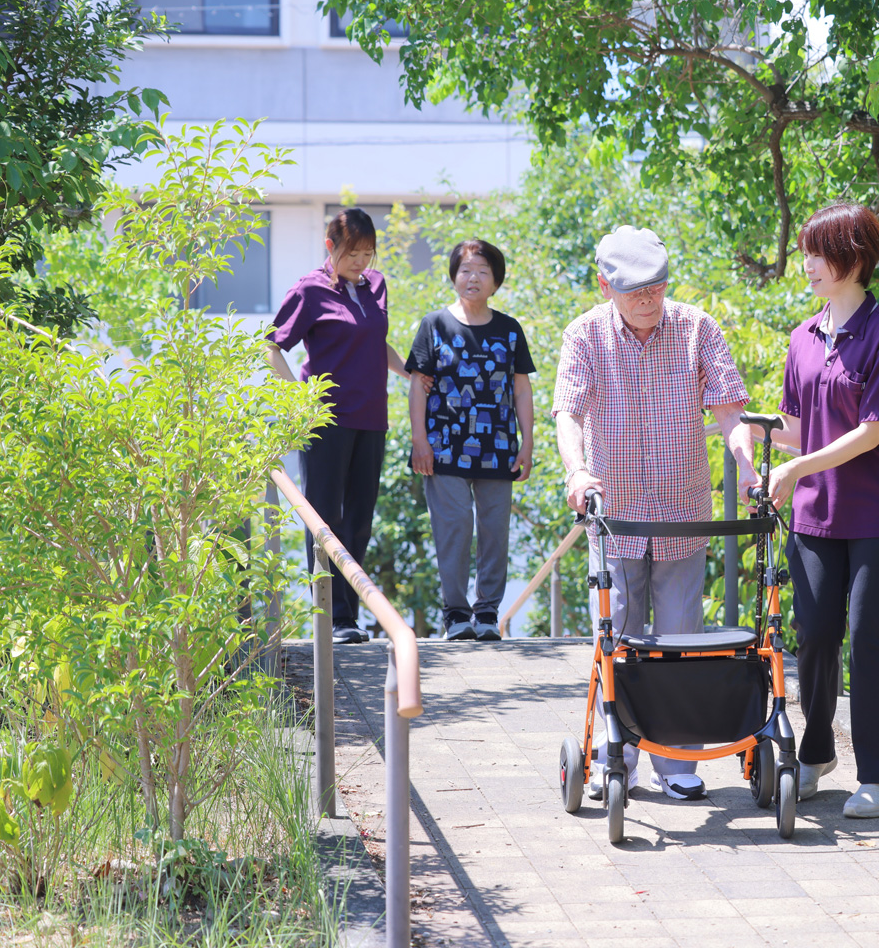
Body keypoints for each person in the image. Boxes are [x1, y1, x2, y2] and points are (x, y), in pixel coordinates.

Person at [554, 224, 758, 801]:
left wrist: (746, 467)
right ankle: (615, 757)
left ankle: (677, 761)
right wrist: (576, 471)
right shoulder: (585, 334)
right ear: (605, 285)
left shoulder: (698, 328)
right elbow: (567, 414)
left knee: (680, 639)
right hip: (613, 512)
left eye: (658, 288)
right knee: (616, 635)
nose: (649, 299)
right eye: (636, 291)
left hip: (680, 510)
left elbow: (730, 414)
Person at [759, 202, 879, 819]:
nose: (809, 265)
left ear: (855, 259)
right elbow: (797, 430)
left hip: (878, 514)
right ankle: (818, 752)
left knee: (868, 636)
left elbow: (874, 431)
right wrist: (747, 434)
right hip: (816, 514)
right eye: (806, 252)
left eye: (821, 254)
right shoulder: (803, 338)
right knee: (817, 634)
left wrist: (796, 467)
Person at [268, 207, 413, 645]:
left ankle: (350, 616)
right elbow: (274, 347)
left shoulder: (376, 286)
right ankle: (334, 620)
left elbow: (375, 340)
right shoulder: (310, 290)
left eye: (368, 253)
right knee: (326, 519)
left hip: (371, 418)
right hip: (326, 421)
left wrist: (410, 372)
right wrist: (301, 401)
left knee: (361, 521)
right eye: (352, 253)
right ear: (330, 247)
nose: (361, 262)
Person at [406, 240, 536, 642]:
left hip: (498, 448)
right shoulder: (435, 324)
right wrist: (419, 440)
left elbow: (521, 390)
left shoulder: (509, 329)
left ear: (495, 281)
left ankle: (487, 613)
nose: (472, 277)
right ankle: (456, 614)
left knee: (495, 530)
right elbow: (417, 385)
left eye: (482, 271)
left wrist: (527, 443)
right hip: (443, 448)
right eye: (465, 270)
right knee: (455, 526)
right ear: (453, 277)